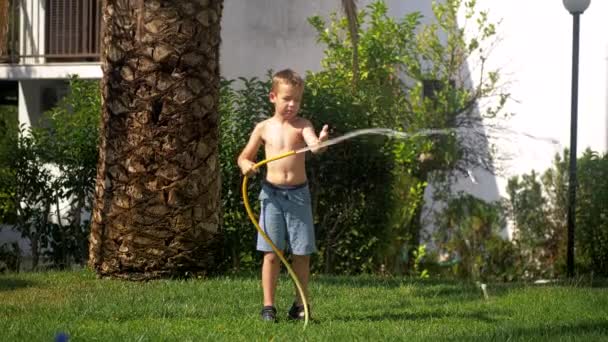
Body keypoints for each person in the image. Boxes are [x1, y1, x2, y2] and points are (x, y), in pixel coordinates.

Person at [237, 69, 329, 322]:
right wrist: (246, 165)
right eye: (287, 98)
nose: (292, 104)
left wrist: (319, 142)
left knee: (302, 253)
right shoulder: (263, 128)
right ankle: (269, 307)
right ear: (272, 97)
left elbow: (313, 145)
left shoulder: (303, 125)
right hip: (272, 196)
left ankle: (300, 306)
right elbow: (244, 157)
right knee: (271, 253)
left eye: (297, 100)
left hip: (298, 196)